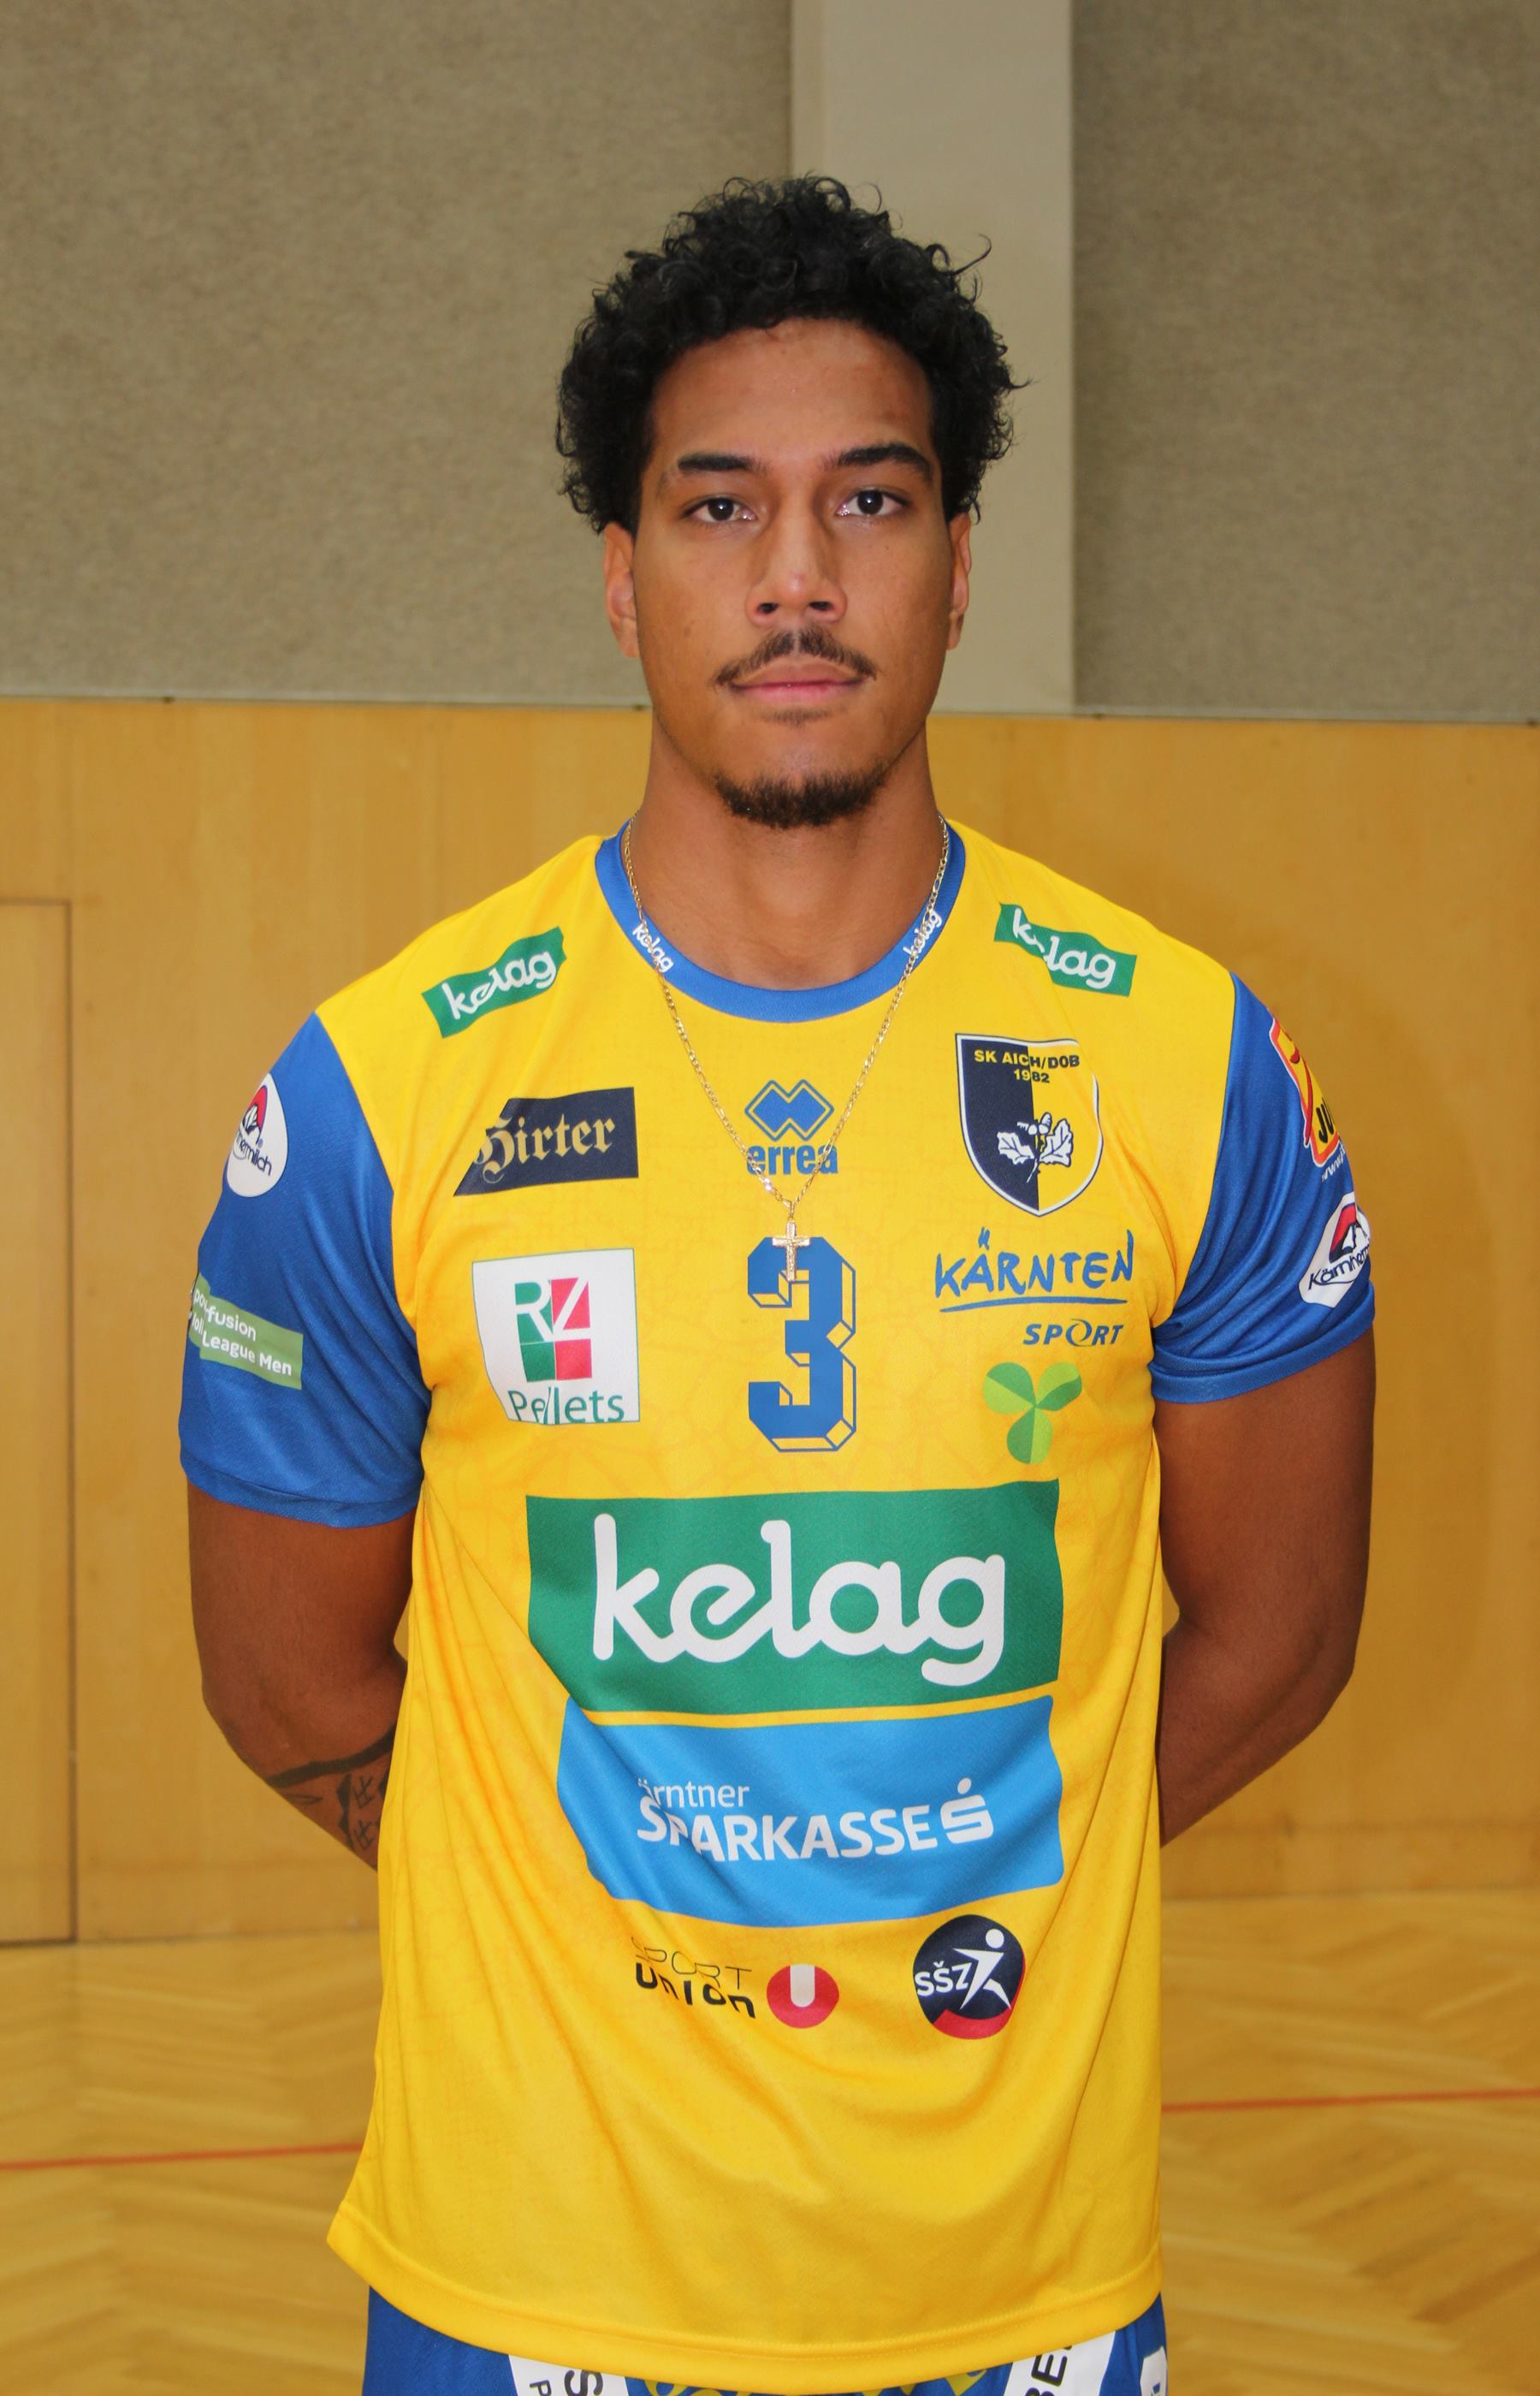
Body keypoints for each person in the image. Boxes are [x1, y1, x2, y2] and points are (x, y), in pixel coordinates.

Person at [182, 178, 1374, 2396]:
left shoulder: (1185, 1064)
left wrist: (984, 1873)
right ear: (620, 578)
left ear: (957, 568)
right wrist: (567, 1897)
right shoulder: (383, 1091)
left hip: (1018, 2291)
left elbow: (1281, 1632)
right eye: (720, 505)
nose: (798, 574)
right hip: (524, 2280)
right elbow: (282, 1682)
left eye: (873, 502)